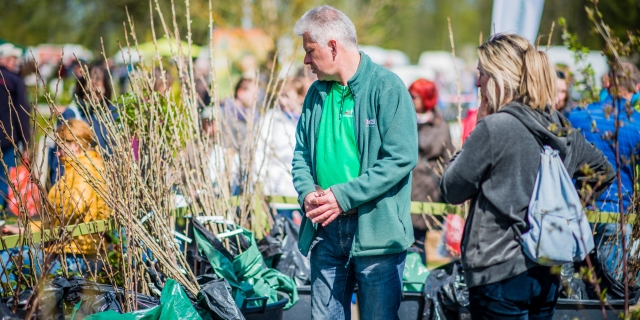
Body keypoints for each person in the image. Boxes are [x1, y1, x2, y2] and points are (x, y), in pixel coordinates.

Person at [440, 33, 614, 319]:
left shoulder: (495, 128)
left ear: (498, 77)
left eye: (481, 74)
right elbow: (603, 171)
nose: (478, 82)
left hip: (498, 270)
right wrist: (562, 206)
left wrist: (477, 127)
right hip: (547, 268)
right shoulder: (557, 125)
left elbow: (451, 188)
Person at [291, 6, 418, 320]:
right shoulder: (315, 94)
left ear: (333, 46)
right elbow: (300, 156)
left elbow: (400, 158)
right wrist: (308, 193)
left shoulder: (387, 88)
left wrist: (340, 197)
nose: (306, 60)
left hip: (377, 234)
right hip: (326, 231)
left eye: (310, 50)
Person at [568, 62, 640, 280]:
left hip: (580, 212)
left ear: (608, 83)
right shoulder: (636, 123)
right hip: (618, 215)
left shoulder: (580, 116)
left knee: (576, 290)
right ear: (637, 88)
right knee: (613, 294)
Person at [48, 119, 109, 274]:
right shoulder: (87, 165)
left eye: (61, 146)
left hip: (75, 255)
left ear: (74, 145)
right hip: (79, 250)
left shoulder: (84, 169)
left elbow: (76, 207)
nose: (58, 152)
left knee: (8, 260)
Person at [407, 78, 454, 265]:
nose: (411, 100)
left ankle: (417, 286)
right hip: (407, 190)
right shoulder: (404, 119)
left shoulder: (440, 126)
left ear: (426, 98)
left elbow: (448, 159)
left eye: (414, 96)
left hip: (428, 194)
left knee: (419, 243)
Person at [48, 63, 116, 186]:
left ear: (106, 90)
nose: (93, 98)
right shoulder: (72, 115)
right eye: (88, 92)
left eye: (98, 93)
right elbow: (59, 159)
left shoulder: (114, 115)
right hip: (78, 185)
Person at [0, 43, 31, 210]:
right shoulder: (14, 80)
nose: (15, 62)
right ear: (5, 59)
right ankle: (3, 212)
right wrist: (26, 143)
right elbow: (22, 113)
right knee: (6, 177)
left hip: (7, 137)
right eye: (12, 58)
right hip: (8, 138)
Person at [220, 77, 260, 152]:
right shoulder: (223, 114)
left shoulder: (253, 118)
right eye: (254, 94)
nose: (256, 98)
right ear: (240, 93)